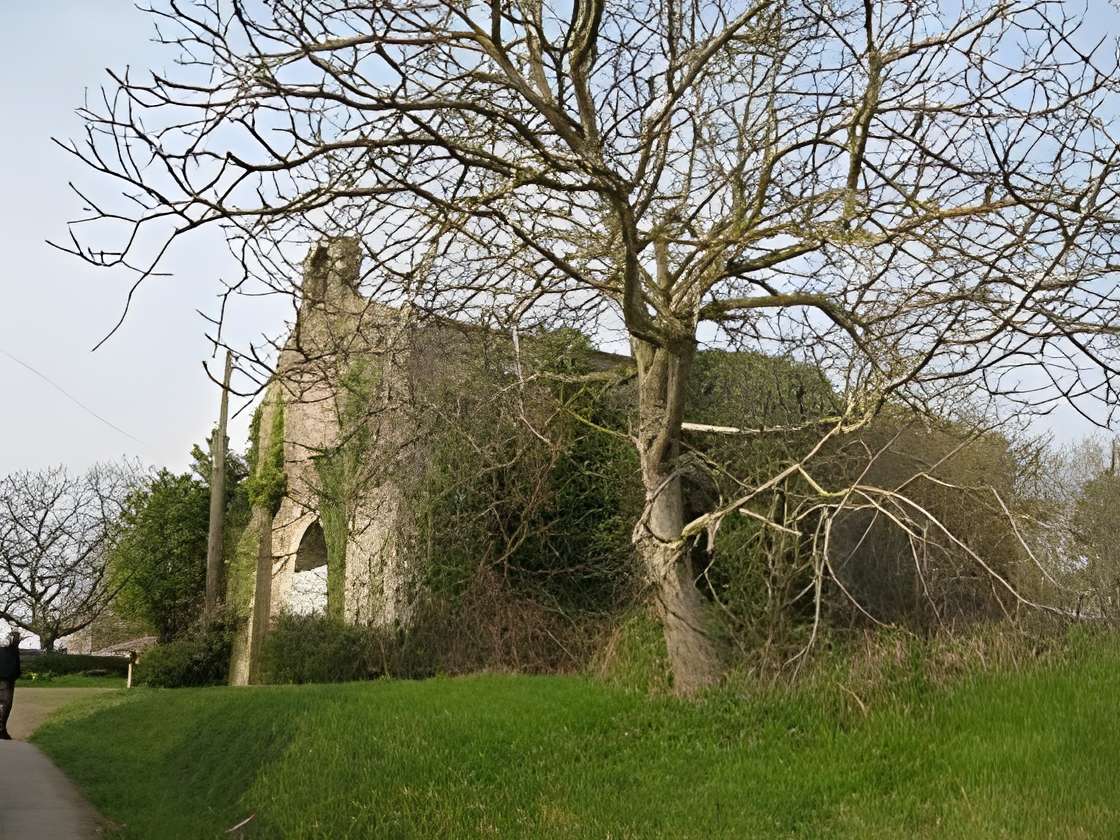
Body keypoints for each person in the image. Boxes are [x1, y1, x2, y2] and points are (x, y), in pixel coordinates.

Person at [0, 630, 21, 740]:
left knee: (5, 704)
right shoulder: (9, 648)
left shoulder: (12, 648)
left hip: (8, 678)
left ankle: (2, 730)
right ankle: (1, 730)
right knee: (5, 703)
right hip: (6, 679)